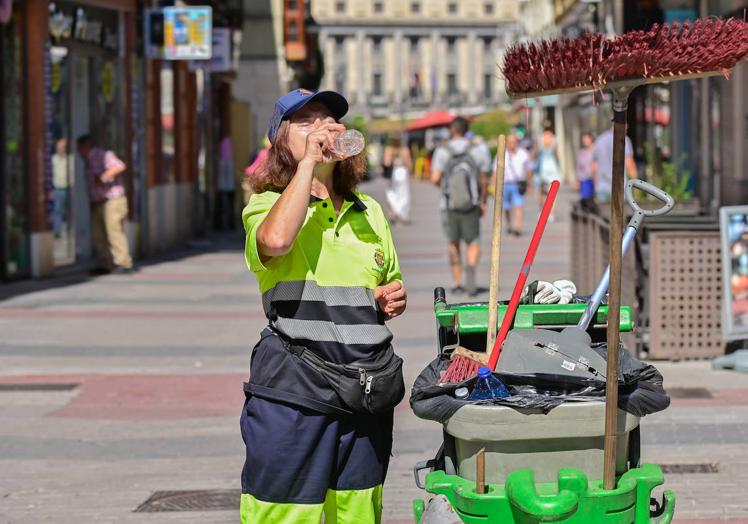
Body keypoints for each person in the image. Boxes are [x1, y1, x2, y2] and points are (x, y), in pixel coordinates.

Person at [240, 89, 407, 524]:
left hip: (364, 392)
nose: (323, 127)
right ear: (280, 140)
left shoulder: (368, 210)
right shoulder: (265, 205)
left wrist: (390, 296)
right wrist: (308, 165)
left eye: (328, 118)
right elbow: (276, 242)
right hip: (296, 395)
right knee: (285, 514)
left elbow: (386, 281)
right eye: (305, 121)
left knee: (357, 512)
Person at [431, 117, 491, 297]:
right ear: (467, 130)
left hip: (449, 205)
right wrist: (483, 200)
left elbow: (434, 178)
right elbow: (484, 179)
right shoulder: (477, 150)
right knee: (473, 241)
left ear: (452, 130)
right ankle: (471, 269)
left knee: (453, 243)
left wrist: (447, 187)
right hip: (472, 204)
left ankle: (458, 283)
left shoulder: (443, 151)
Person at [76, 135, 133, 275]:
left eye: (79, 148)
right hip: (97, 200)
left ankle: (123, 262)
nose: (78, 152)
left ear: (86, 146)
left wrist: (103, 177)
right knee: (98, 234)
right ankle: (104, 263)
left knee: (113, 230)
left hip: (112, 199)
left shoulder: (101, 154)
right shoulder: (88, 160)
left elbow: (120, 166)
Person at [592, 125, 638, 203]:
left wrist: (596, 185)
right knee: (622, 214)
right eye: (625, 123)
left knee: (603, 214)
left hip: (602, 187)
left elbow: (594, 167)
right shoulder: (623, 139)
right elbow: (629, 164)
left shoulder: (599, 140)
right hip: (620, 188)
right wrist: (636, 187)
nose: (627, 127)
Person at [500, 133, 531, 236]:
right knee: (506, 207)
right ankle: (509, 225)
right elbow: (495, 171)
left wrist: (529, 183)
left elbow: (528, 169)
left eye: (513, 142)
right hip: (505, 184)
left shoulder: (523, 154)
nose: (511, 144)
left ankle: (518, 227)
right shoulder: (501, 154)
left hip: (518, 184)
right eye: (509, 142)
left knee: (519, 206)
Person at [535, 123, 562, 221]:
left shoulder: (542, 139)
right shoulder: (553, 139)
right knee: (548, 192)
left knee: (546, 192)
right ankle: (548, 213)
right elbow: (557, 155)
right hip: (548, 168)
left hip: (545, 168)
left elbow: (537, 152)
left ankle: (548, 213)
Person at [384, 138, 412, 225]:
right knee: (403, 194)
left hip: (394, 172)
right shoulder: (404, 149)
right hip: (403, 172)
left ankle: (393, 213)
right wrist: (410, 172)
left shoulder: (389, 149)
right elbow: (409, 162)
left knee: (392, 193)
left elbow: (386, 163)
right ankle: (402, 214)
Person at [52, 138, 73, 238]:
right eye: (58, 147)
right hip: (57, 189)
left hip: (69, 188)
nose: (60, 149)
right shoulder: (53, 159)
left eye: (62, 147)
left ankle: (71, 230)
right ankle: (57, 231)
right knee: (57, 211)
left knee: (71, 211)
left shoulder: (70, 159)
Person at [217, 134, 237, 230]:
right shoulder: (230, 163)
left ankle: (225, 226)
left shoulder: (222, 163)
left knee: (225, 209)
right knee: (229, 209)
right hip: (230, 188)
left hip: (223, 189)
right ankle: (228, 225)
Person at [575, 132, 598, 213]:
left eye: (586, 139)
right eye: (583, 139)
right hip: (585, 179)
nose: (585, 141)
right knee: (586, 199)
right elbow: (578, 167)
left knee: (596, 199)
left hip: (596, 178)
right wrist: (577, 180)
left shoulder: (596, 150)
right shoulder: (581, 152)